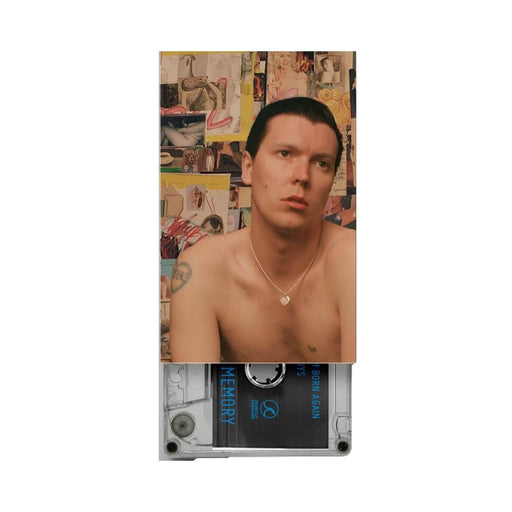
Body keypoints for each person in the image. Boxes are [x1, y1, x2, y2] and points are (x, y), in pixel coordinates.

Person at [169, 97, 355, 363]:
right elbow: (197, 389)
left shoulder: (353, 261)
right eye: (285, 154)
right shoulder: (202, 269)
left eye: (321, 163)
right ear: (248, 167)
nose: (302, 175)